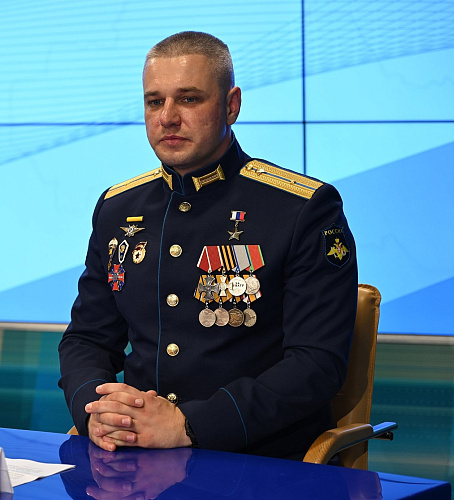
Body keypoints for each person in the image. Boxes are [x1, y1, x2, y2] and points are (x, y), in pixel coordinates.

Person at [58, 31, 358, 460]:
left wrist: (189, 426)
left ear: (231, 105)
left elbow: (316, 365)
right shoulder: (117, 208)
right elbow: (86, 339)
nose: (167, 118)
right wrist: (97, 412)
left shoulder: (302, 208)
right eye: (154, 102)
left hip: (254, 459)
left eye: (189, 99)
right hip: (132, 455)